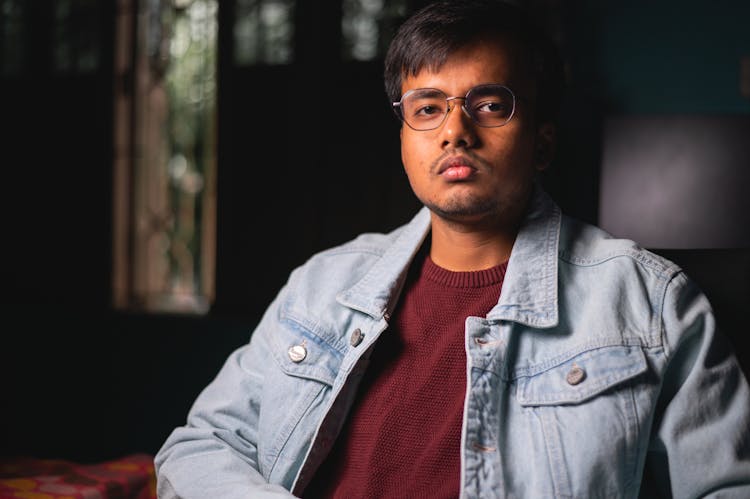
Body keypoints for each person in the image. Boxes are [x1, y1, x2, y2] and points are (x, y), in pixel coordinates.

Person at [154, 1, 750, 497]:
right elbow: (199, 445)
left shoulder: (649, 304)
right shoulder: (322, 286)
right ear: (404, 138)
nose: (454, 130)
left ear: (542, 143)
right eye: (428, 108)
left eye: (490, 105)